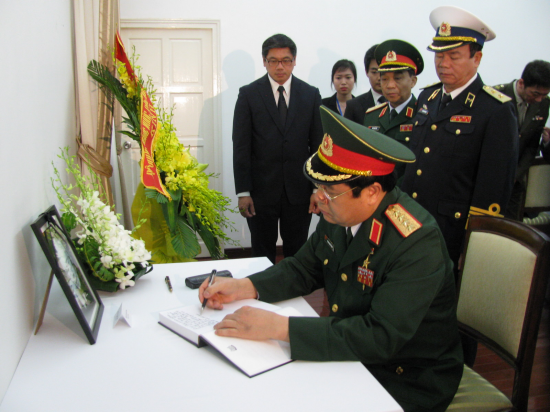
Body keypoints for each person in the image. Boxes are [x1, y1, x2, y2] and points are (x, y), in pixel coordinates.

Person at [202, 106, 463, 412]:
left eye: (329, 190)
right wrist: (245, 286)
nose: (319, 198)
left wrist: (281, 327)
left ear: (372, 192)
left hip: (406, 376)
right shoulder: (339, 213)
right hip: (354, 356)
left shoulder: (416, 242)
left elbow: (381, 336)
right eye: (318, 187)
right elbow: (303, 267)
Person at [401, 6, 518, 280]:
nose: (443, 64)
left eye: (453, 56)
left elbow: (494, 186)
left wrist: (475, 242)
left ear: (477, 58)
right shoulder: (427, 99)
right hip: (410, 221)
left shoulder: (495, 110)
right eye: (439, 56)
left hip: (450, 232)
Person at [232, 34, 323, 264]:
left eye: (286, 60)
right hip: (261, 193)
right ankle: (260, 296)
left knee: (297, 252)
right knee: (262, 254)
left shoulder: (310, 95)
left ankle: (295, 297)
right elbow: (241, 146)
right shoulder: (248, 94)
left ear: (294, 61)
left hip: (299, 191)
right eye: (273, 60)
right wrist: (243, 192)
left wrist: (317, 188)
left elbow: (318, 145)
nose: (280, 66)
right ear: (264, 61)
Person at [494, 60, 550, 220]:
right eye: (535, 94)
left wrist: (516, 174)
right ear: (521, 83)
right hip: (490, 178)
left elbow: (532, 146)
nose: (539, 99)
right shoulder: (496, 95)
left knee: (512, 232)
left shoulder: (543, 104)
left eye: (544, 95)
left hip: (516, 183)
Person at [362, 39, 423, 179]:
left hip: (405, 195)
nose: (390, 85)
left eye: (398, 78)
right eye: (384, 79)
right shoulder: (372, 115)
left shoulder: (422, 116)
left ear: (413, 81)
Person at [345, 44, 385, 124]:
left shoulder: (400, 103)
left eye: (383, 72)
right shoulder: (353, 106)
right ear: (366, 72)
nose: (379, 78)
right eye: (374, 72)